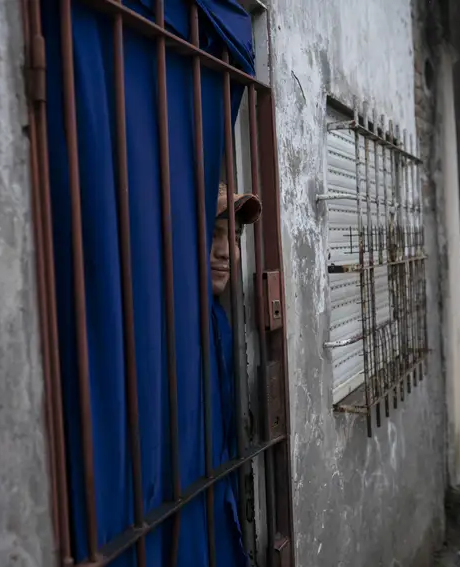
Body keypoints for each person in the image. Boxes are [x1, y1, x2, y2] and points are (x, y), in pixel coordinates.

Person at [205, 183, 261, 567]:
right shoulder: (159, 326)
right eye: (213, 234)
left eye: (235, 237)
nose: (227, 250)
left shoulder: (218, 322)